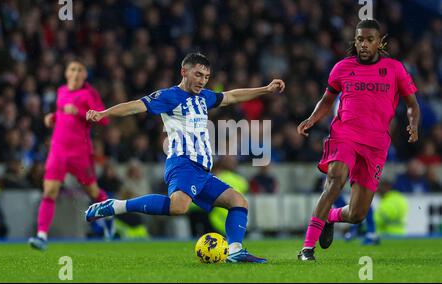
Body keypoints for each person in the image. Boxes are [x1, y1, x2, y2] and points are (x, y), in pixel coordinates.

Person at [85, 52, 285, 263]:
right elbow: (135, 106)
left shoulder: (204, 97)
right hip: (183, 163)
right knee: (179, 207)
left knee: (238, 201)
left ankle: (234, 251)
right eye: (198, 75)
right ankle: (115, 206)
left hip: (201, 171)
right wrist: (103, 113)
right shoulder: (169, 96)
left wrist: (266, 89)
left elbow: (233, 96)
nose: (202, 80)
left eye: (206, 76)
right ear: (184, 72)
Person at [296, 19, 420, 261]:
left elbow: (412, 104)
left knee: (357, 214)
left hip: (376, 145)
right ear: (355, 40)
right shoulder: (342, 68)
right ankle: (307, 248)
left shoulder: (395, 69)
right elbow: (327, 100)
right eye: (360, 39)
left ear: (379, 42)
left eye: (369, 39)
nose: (363, 44)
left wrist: (413, 124)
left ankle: (331, 217)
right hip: (345, 136)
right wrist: (312, 119)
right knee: (335, 180)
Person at [28, 59, 114, 251]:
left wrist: (80, 112)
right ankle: (41, 236)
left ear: (85, 75)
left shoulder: (89, 94)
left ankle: (109, 217)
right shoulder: (61, 91)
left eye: (80, 70)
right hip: (57, 150)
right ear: (67, 73)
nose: (75, 73)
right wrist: (53, 118)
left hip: (80, 153)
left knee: (93, 192)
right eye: (72, 69)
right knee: (49, 191)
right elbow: (62, 114)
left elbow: (104, 120)